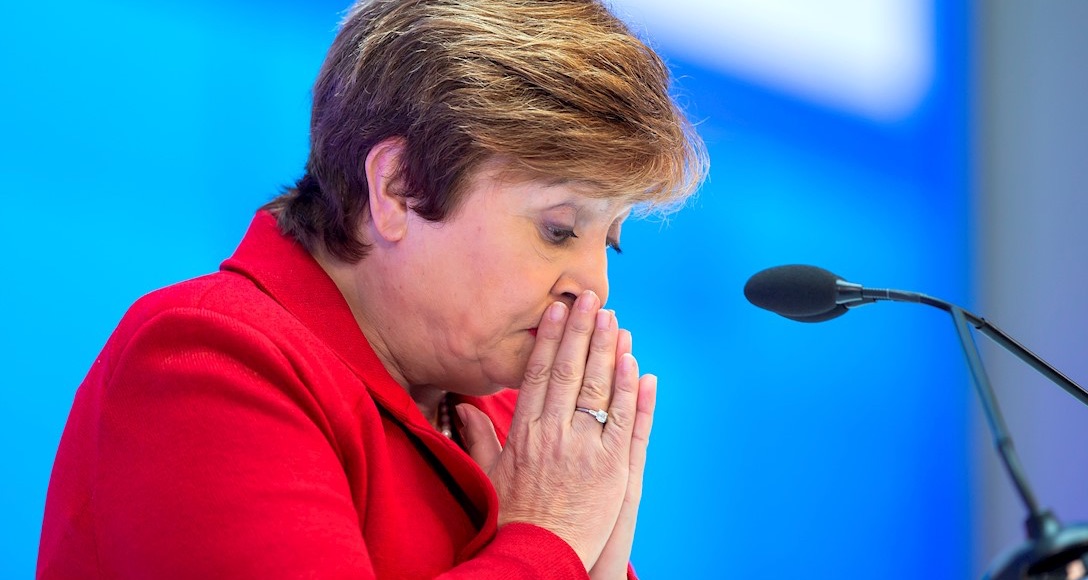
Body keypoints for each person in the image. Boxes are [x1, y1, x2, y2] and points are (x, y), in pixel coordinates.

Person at [37, 0, 707, 577]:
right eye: (559, 229)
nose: (593, 289)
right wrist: (550, 539)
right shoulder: (207, 359)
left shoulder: (520, 428)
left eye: (611, 241)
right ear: (397, 187)